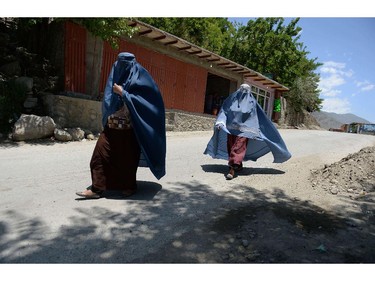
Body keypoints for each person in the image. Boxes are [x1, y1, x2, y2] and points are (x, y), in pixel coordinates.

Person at [76, 52, 166, 199]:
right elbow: (108, 99)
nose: (121, 67)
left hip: (131, 131)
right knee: (98, 156)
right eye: (119, 63)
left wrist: (124, 94)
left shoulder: (142, 77)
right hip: (111, 128)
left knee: (127, 161)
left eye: (125, 63)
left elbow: (149, 103)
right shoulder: (115, 75)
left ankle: (129, 187)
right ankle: (97, 189)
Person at [204, 83, 291, 180]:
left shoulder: (252, 102)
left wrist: (255, 130)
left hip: (245, 130)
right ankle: (238, 164)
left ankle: (232, 169)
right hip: (231, 129)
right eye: (242, 90)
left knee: (238, 147)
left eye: (246, 90)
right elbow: (225, 110)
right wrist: (220, 122)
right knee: (231, 147)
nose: (244, 93)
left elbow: (257, 117)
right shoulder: (231, 100)